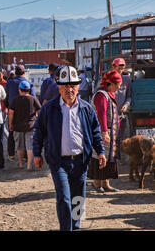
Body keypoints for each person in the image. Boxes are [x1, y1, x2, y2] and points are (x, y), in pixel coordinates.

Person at [32, 65, 106, 231]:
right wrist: (37, 154)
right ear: (59, 87)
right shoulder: (49, 109)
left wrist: (100, 151)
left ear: (78, 87)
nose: (69, 89)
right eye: (65, 86)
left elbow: (95, 132)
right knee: (64, 198)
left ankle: (76, 227)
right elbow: (39, 132)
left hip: (81, 161)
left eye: (72, 85)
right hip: (59, 162)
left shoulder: (86, 108)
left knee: (78, 198)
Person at [88, 70, 122, 193]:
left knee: (109, 157)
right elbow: (101, 114)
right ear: (110, 84)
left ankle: (106, 184)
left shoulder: (108, 95)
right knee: (99, 156)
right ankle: (97, 183)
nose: (119, 87)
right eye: (117, 85)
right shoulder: (101, 95)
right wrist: (104, 132)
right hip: (102, 131)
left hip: (109, 130)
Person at [5, 65, 36, 161]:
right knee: (27, 134)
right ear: (24, 72)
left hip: (13, 113)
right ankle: (26, 156)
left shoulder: (9, 83)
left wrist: (9, 107)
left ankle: (11, 155)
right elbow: (33, 98)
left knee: (12, 132)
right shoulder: (28, 83)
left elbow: (5, 98)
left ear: (15, 72)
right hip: (27, 113)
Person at [9, 81, 41, 170]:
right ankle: (29, 165)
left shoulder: (15, 100)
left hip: (18, 126)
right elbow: (40, 111)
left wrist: (10, 124)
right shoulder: (33, 99)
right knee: (30, 146)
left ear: (19, 89)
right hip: (31, 126)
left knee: (19, 146)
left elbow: (11, 113)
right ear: (29, 90)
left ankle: (21, 163)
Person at [111, 58, 132, 148]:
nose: (120, 68)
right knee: (111, 139)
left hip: (121, 115)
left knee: (121, 139)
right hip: (110, 115)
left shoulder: (127, 79)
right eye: (118, 66)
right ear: (113, 67)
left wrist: (126, 105)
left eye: (122, 66)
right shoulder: (107, 78)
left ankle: (119, 159)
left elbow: (129, 96)